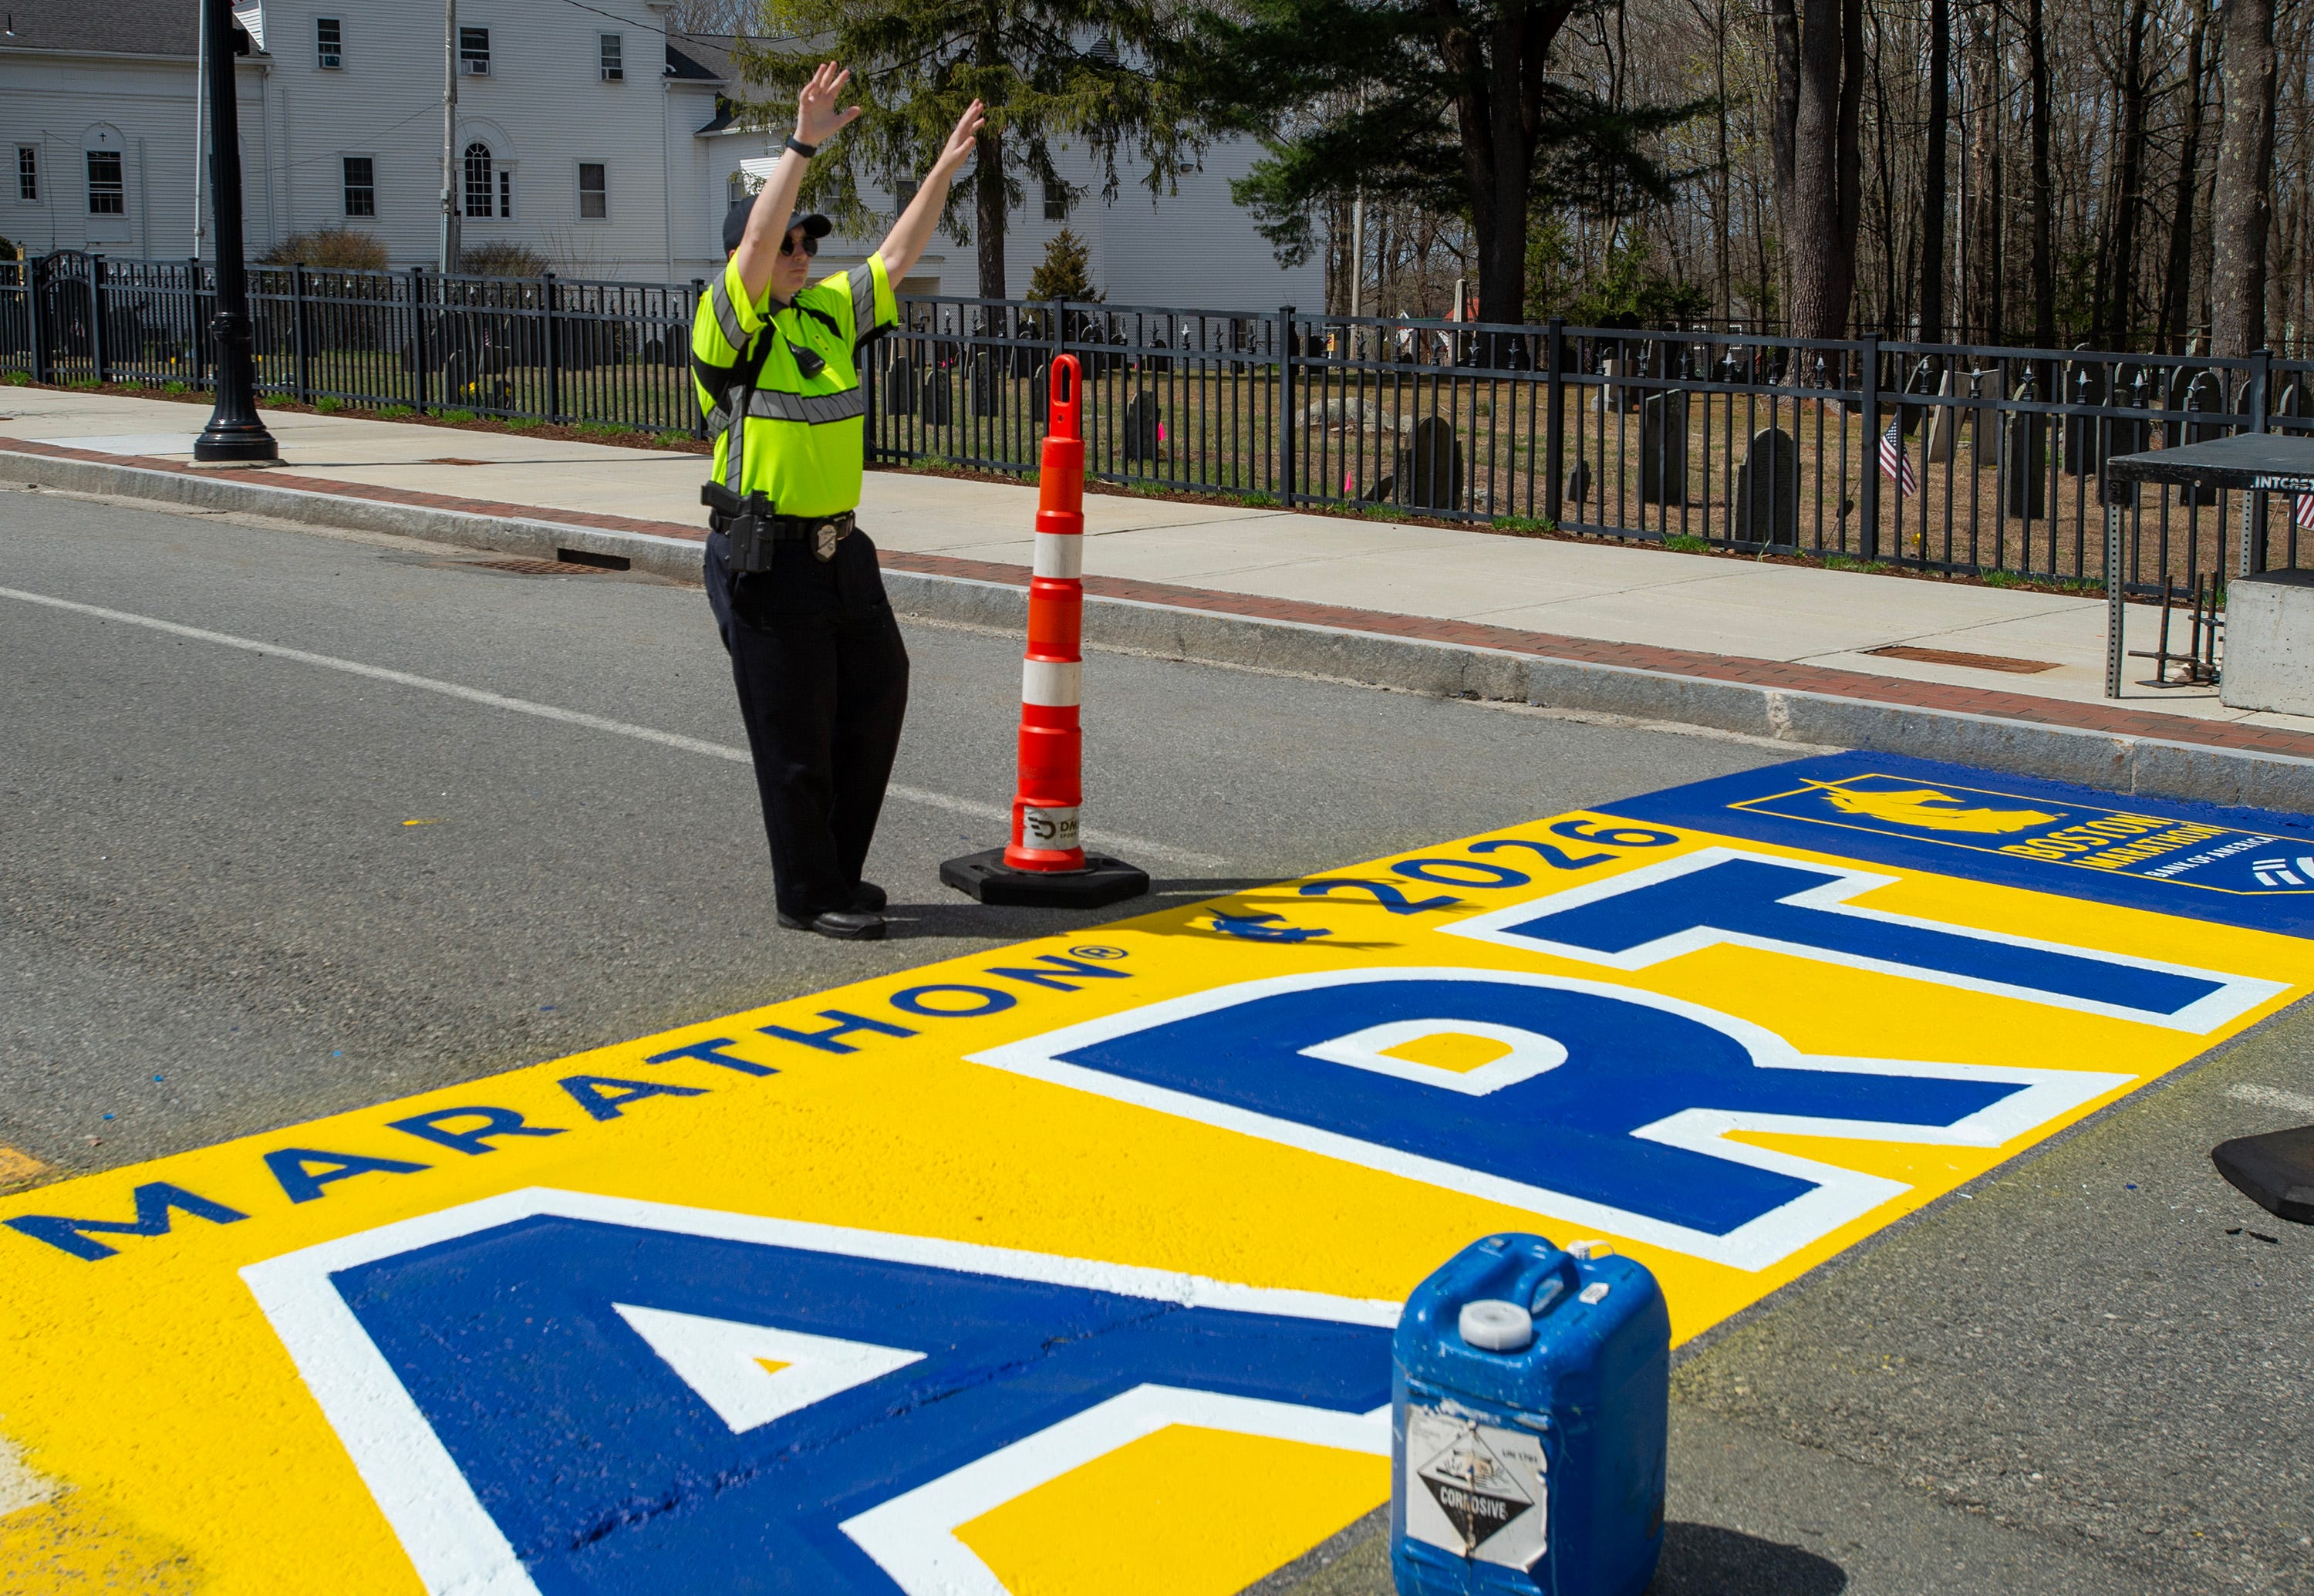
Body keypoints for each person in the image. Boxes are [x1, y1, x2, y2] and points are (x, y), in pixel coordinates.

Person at [690, 65, 983, 940]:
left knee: (877, 696)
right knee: (795, 736)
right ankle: (807, 892)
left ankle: (837, 874)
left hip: (840, 551)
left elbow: (896, 256)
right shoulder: (725, 321)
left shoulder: (825, 311)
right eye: (788, 243)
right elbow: (753, 246)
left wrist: (942, 171)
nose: (800, 253)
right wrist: (801, 144)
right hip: (765, 555)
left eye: (807, 244)